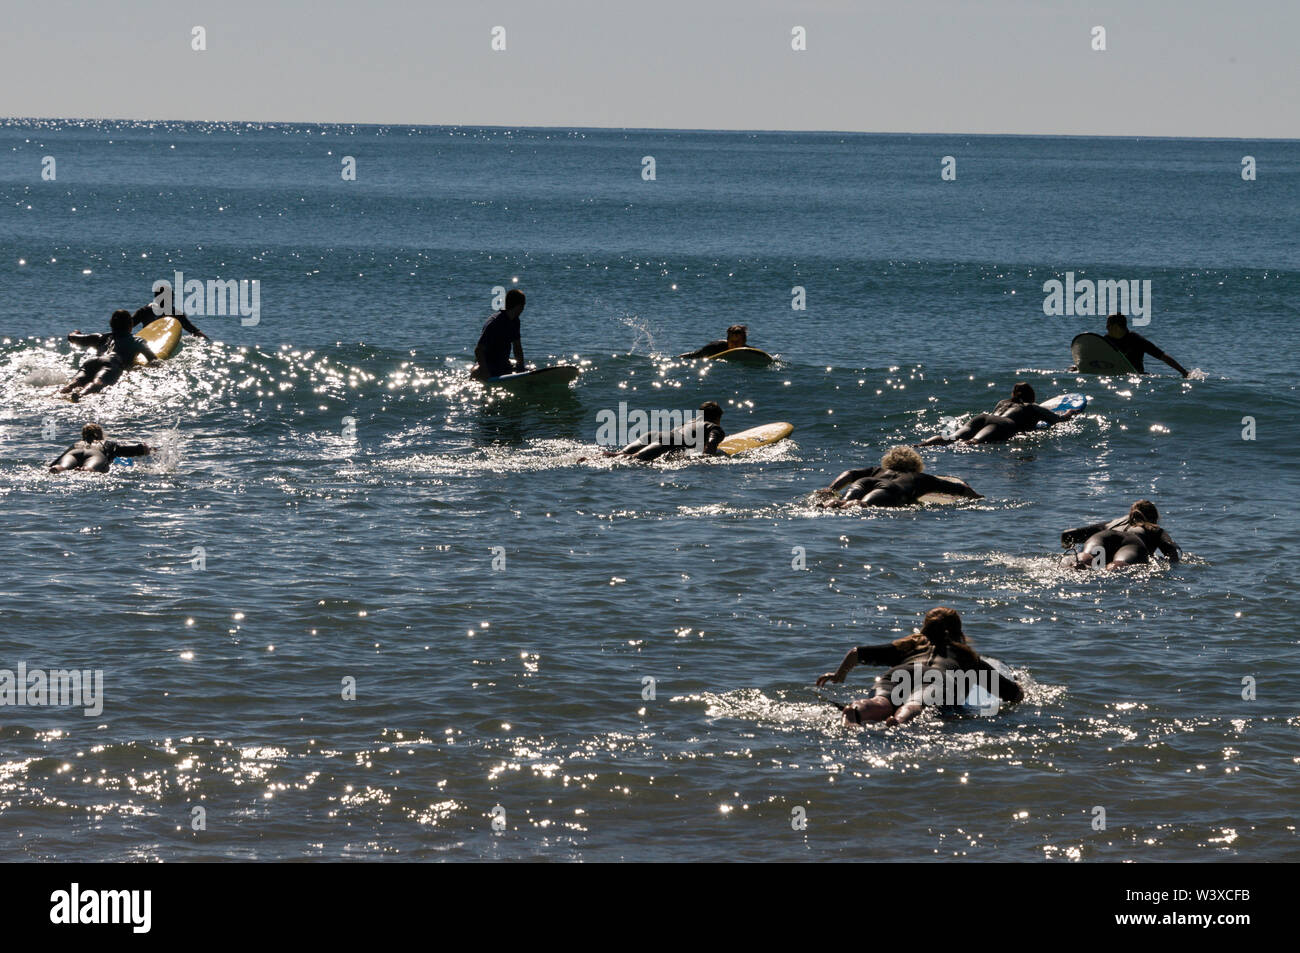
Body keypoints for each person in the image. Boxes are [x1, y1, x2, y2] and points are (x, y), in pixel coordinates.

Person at [816, 607, 1024, 726]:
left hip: (899, 673)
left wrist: (838, 675)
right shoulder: (967, 657)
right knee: (916, 704)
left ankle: (856, 711)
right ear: (958, 631)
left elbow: (856, 653)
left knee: (880, 701)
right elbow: (1012, 694)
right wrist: (1021, 685)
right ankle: (898, 722)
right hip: (939, 679)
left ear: (925, 627)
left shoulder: (907, 646)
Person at [916, 382, 1082, 447]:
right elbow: (1059, 420)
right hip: (1004, 424)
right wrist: (1070, 411)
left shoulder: (1003, 402)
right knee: (974, 442)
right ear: (1031, 396)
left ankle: (920, 445)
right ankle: (968, 445)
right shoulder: (1032, 407)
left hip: (983, 417)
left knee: (951, 437)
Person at [812, 446, 981, 507]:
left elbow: (850, 474)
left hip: (865, 482)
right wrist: (977, 497)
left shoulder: (877, 470)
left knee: (841, 502)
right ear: (916, 465)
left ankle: (828, 503)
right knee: (860, 505)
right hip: (892, 490)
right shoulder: (921, 478)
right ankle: (850, 504)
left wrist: (831, 489)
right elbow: (959, 489)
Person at [61, 309, 158, 400]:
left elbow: (71, 337)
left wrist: (75, 333)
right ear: (131, 325)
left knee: (76, 382)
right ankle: (80, 395)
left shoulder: (100, 337)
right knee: (98, 382)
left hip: (91, 362)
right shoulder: (137, 341)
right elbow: (153, 359)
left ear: (111, 324)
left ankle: (63, 391)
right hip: (112, 363)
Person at [1062, 499, 1180, 569]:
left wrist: (1067, 545)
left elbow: (1067, 535)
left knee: (1085, 560)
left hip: (1103, 536)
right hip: (1133, 543)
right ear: (1154, 518)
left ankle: (1080, 563)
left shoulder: (1112, 523)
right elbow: (1171, 551)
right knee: (1117, 568)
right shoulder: (1154, 529)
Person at [607, 401, 726, 461]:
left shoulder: (690, 422)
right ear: (717, 417)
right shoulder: (714, 427)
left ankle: (594, 457)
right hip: (669, 440)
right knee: (633, 459)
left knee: (618, 455)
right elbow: (711, 444)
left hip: (654, 434)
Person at [1099, 312, 1188, 376]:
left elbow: (1162, 356)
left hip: (1136, 376)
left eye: (1108, 325)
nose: (1106, 328)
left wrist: (1183, 372)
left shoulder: (1136, 340)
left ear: (1116, 327)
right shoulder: (1107, 340)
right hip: (1113, 374)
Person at [49, 423, 151, 473]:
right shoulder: (107, 443)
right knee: (89, 470)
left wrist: (53, 465)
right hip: (96, 454)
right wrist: (145, 449)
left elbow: (56, 461)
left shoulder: (76, 444)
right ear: (99, 434)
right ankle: (84, 469)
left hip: (74, 453)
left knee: (60, 467)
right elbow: (128, 450)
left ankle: (58, 470)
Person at [470, 289, 526, 380]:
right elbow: (478, 350)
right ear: (518, 306)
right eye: (523, 305)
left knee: (529, 369)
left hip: (503, 363)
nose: (523, 309)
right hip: (488, 364)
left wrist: (521, 368)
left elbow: (517, 347)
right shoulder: (495, 323)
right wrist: (485, 372)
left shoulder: (515, 321)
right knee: (476, 372)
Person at [677, 324, 748, 359]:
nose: (735, 345)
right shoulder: (714, 347)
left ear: (744, 342)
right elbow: (692, 355)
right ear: (728, 341)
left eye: (738, 342)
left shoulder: (749, 351)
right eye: (732, 342)